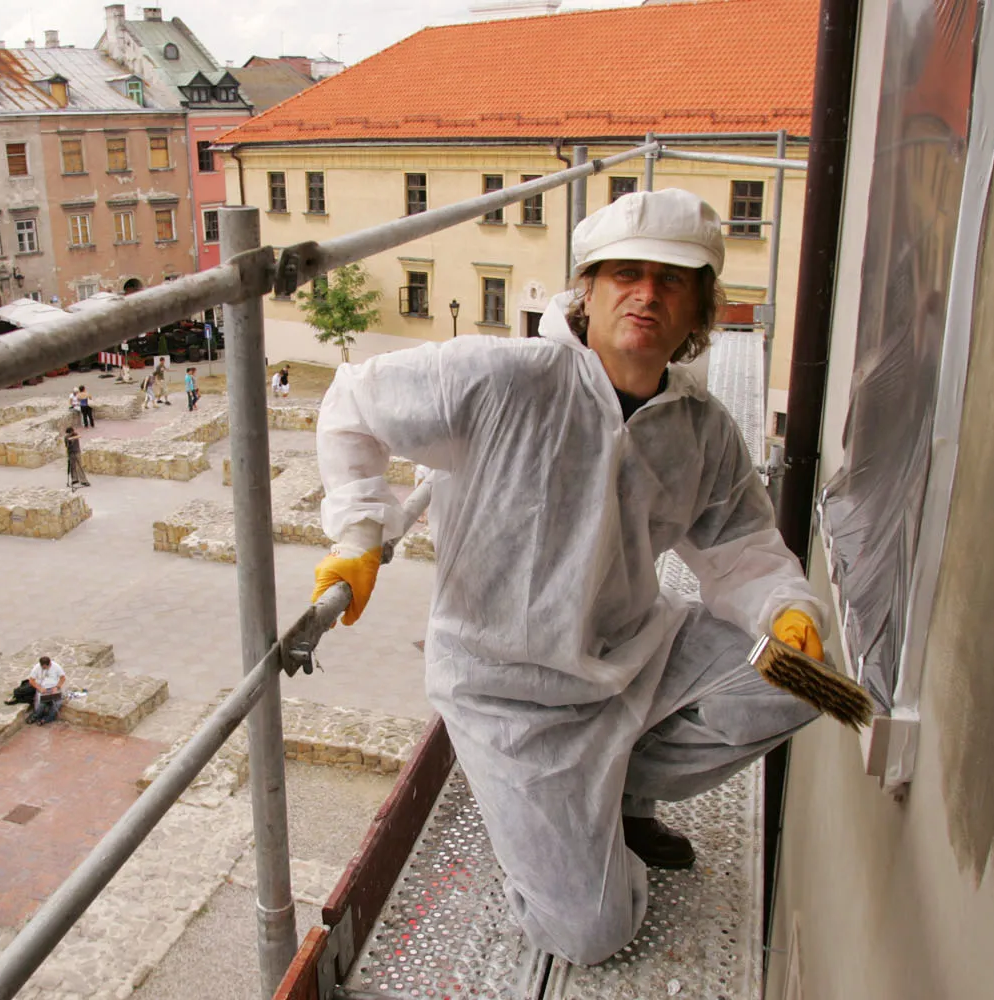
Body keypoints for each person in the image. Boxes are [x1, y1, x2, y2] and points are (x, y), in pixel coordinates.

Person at [310, 189, 825, 966]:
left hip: (633, 656)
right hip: (510, 697)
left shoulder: (700, 429)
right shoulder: (503, 378)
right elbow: (352, 402)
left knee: (814, 683)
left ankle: (612, 787)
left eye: (673, 279)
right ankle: (572, 819)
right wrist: (358, 532)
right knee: (590, 935)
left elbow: (743, 545)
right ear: (589, 286)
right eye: (626, 273)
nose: (646, 293)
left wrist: (786, 608)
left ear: (700, 310)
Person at [27, 655, 67, 724]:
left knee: (57, 703)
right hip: (43, 688)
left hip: (54, 688)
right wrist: (40, 688)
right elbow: (31, 680)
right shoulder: (37, 668)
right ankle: (35, 716)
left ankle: (47, 719)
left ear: (50, 663)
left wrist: (57, 687)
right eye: (43, 667)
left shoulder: (56, 666)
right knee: (42, 703)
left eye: (46, 667)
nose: (45, 668)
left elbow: (63, 678)